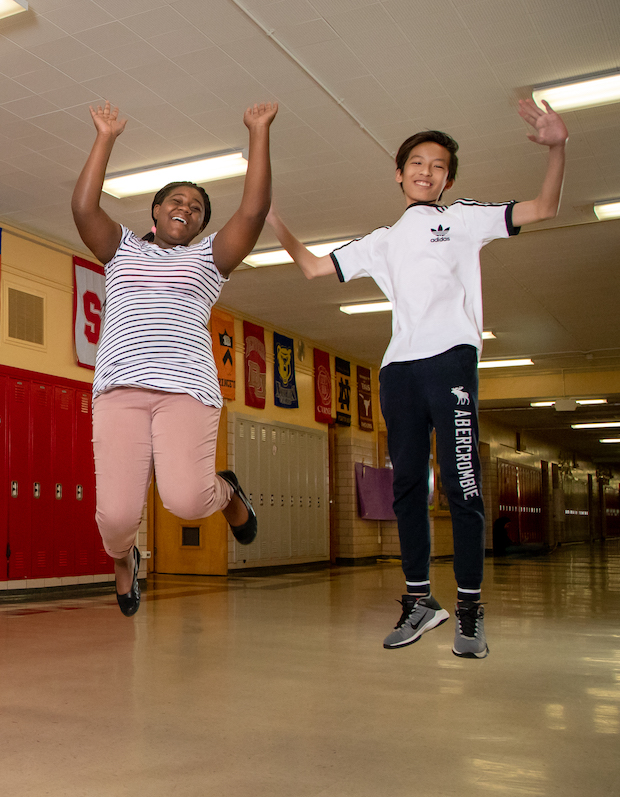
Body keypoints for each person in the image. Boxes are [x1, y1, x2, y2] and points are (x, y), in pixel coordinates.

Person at [266, 98, 568, 659]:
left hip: (450, 358)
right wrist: (273, 218)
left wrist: (557, 147)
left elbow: (545, 206)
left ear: (447, 178)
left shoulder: (465, 219)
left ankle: (472, 609)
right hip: (398, 368)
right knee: (408, 486)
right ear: (399, 173)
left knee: (462, 484)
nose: (426, 172)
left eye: (437, 166)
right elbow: (312, 267)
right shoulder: (380, 241)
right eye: (417, 163)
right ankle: (420, 601)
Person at [71, 100, 275, 617]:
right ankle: (124, 559)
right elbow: (84, 209)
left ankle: (227, 494)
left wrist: (257, 133)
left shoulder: (208, 259)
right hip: (120, 391)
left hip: (186, 390)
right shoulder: (120, 249)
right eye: (175, 201)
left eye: (198, 208)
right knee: (115, 517)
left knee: (186, 501)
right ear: (157, 212)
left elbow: (251, 213)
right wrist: (105, 138)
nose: (186, 208)